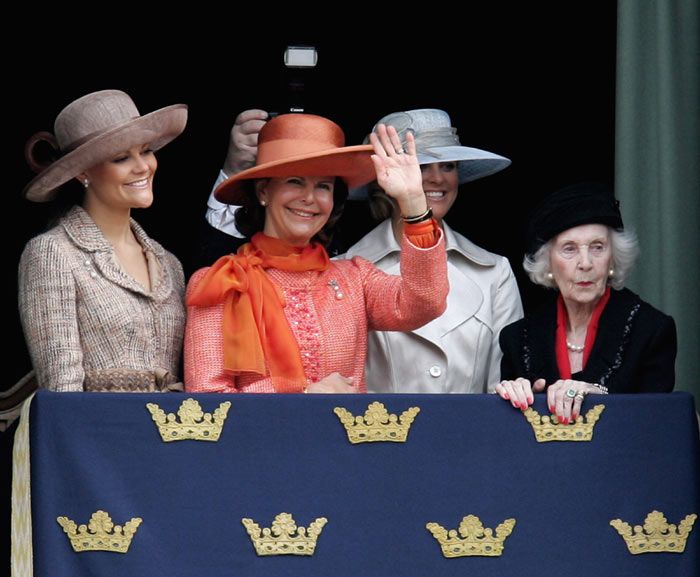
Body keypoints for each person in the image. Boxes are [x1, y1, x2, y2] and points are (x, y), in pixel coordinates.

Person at [184, 113, 448, 393]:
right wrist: (304, 393)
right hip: (257, 437)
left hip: (347, 437)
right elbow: (207, 397)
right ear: (264, 190)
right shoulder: (220, 281)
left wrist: (413, 203)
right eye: (295, 181)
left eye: (323, 186)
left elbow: (426, 302)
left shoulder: (354, 278)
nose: (309, 198)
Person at [18, 89, 188, 392]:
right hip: (96, 436)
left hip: (170, 435)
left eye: (146, 150)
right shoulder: (52, 253)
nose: (142, 166)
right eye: (122, 157)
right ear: (83, 172)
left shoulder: (169, 263)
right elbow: (61, 392)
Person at [343, 109, 523, 393]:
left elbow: (504, 387)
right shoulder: (344, 270)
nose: (437, 178)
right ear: (384, 179)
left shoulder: (494, 272)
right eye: (422, 166)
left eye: (448, 166)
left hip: (468, 435)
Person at [496, 182, 676, 422]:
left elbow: (657, 425)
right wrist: (514, 399)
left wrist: (600, 396)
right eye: (569, 249)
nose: (586, 263)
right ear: (548, 263)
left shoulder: (651, 330)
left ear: (613, 258)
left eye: (597, 247)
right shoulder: (517, 338)